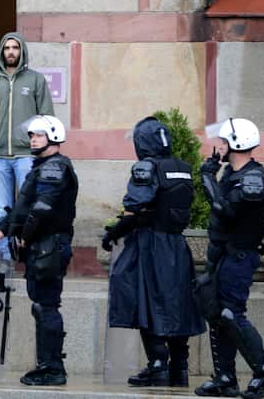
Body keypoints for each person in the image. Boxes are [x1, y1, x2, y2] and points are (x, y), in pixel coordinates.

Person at [101, 116, 203, 388]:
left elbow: (136, 206)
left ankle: (157, 364)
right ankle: (179, 367)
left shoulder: (146, 167)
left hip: (150, 244)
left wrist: (114, 232)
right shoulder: (182, 166)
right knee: (177, 303)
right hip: (177, 245)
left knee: (144, 300)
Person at [194, 118, 264, 399]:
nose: (219, 146)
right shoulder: (231, 173)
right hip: (221, 255)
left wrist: (207, 177)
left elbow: (226, 210)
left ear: (237, 143)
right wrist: (213, 175)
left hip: (240, 257)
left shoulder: (253, 178)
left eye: (224, 141)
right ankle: (225, 378)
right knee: (217, 316)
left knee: (232, 314)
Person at [0, 115, 76, 386]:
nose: (33, 139)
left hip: (49, 244)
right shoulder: (41, 166)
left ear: (53, 136)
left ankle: (53, 368)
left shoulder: (55, 167)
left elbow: (42, 208)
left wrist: (24, 236)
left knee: (47, 305)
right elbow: (23, 204)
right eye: (31, 135)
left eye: (38, 135)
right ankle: (46, 363)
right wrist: (4, 227)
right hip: (41, 246)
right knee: (41, 305)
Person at [0, 34, 54, 260]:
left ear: (22, 51)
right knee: (2, 210)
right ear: (2, 52)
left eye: (15, 48)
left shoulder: (36, 80)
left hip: (26, 156)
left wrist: (45, 151)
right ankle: (5, 259)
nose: (11, 52)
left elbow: (47, 117)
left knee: (31, 206)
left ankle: (33, 253)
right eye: (7, 48)